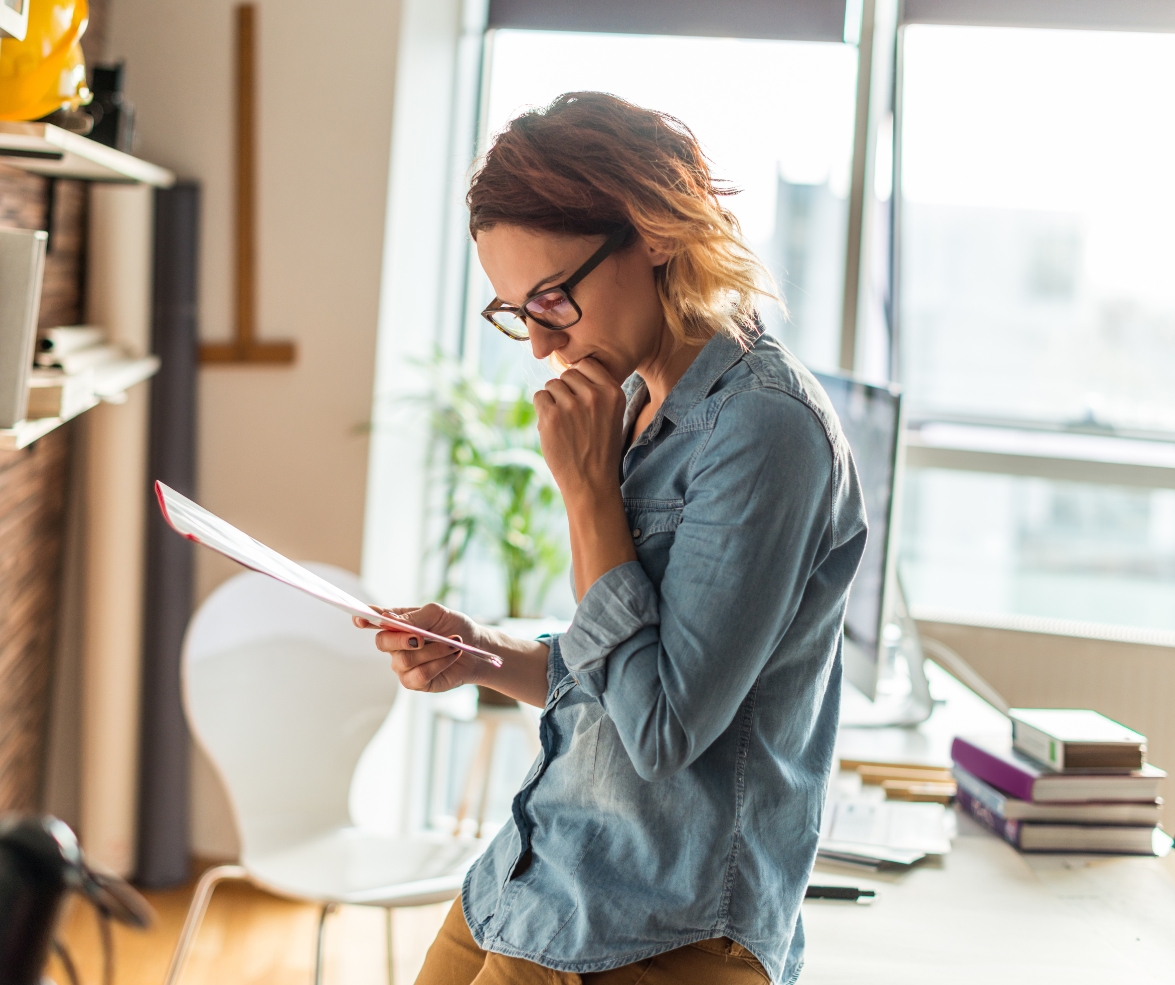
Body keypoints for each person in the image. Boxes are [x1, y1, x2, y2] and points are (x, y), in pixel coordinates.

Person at [357, 92, 867, 985]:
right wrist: (479, 652)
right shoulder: (639, 400)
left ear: (654, 230)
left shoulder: (763, 429)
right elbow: (615, 677)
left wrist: (587, 489)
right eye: (517, 311)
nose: (540, 344)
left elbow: (661, 729)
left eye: (553, 298)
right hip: (538, 876)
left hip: (654, 923)